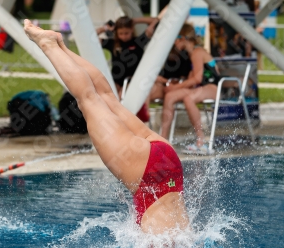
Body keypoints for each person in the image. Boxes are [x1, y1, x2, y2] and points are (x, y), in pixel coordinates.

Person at [24, 19, 189, 235]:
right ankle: (48, 44)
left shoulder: (186, 236)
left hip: (169, 163)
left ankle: (60, 45)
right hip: (146, 175)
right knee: (88, 99)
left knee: (106, 97)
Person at [161, 23, 220, 153]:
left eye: (175, 39)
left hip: (213, 88)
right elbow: (192, 80)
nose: (173, 42)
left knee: (188, 99)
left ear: (183, 38)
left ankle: (201, 141)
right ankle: (162, 139)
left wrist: (176, 86)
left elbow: (197, 79)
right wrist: (174, 88)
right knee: (170, 96)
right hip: (200, 89)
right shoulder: (191, 53)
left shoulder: (197, 52)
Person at [97, 16, 158, 122]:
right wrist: (105, 28)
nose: (124, 36)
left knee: (123, 97)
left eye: (126, 33)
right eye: (121, 33)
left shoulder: (139, 41)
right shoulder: (113, 43)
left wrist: (135, 20)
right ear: (116, 33)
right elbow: (89, 37)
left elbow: (156, 21)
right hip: (116, 80)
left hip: (132, 80)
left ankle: (132, 121)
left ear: (132, 30)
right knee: (107, 99)